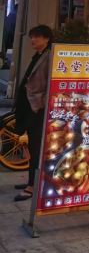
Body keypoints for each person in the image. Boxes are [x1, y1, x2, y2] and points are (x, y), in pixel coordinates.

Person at [14, 25, 53, 202]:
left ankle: (32, 186)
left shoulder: (49, 56)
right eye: (32, 36)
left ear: (47, 39)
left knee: (36, 147)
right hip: (29, 106)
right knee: (32, 146)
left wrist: (40, 103)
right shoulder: (38, 55)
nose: (33, 40)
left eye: (37, 36)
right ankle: (32, 179)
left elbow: (50, 84)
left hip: (37, 109)